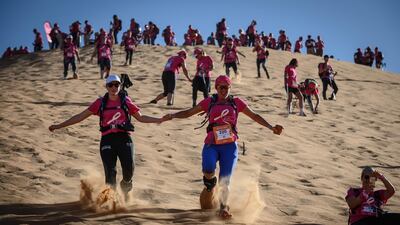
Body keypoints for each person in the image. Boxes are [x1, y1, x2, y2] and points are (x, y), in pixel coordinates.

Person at [162, 75, 283, 219]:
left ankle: (223, 208)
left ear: (230, 88)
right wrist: (173, 115)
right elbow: (189, 112)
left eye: (227, 87)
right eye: (221, 87)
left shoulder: (236, 102)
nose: (224, 90)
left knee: (225, 180)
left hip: (230, 146)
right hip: (211, 145)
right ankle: (209, 189)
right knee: (208, 172)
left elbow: (255, 116)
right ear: (216, 88)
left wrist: (271, 127)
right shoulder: (210, 101)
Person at [49, 74, 166, 200]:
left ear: (120, 86)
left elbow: (141, 117)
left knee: (129, 169)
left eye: (116, 84)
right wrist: (59, 125)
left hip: (124, 138)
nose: (114, 87)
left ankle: (126, 185)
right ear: (106, 87)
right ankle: (112, 202)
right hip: (107, 140)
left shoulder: (126, 101)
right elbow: (80, 116)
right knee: (110, 173)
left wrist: (159, 119)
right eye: (110, 85)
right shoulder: (100, 103)